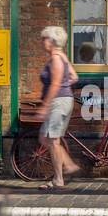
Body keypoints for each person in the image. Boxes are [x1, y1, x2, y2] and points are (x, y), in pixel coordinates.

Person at [36, 26, 80, 190]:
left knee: (52, 140)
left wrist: (45, 106)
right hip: (62, 100)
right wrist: (64, 86)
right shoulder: (62, 56)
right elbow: (74, 77)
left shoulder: (56, 59)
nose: (42, 42)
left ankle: (60, 176)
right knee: (45, 138)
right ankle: (65, 168)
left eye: (44, 39)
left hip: (58, 102)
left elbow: (55, 84)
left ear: (52, 41)